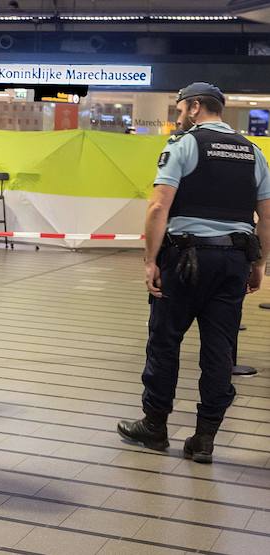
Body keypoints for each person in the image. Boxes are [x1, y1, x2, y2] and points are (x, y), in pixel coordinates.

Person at [117, 82, 270, 464]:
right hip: (233, 262)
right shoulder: (253, 153)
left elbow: (158, 208)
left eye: (181, 108)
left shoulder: (183, 145)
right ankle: (204, 438)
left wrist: (151, 260)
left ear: (197, 106)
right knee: (220, 351)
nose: (178, 116)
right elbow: (267, 216)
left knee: (165, 342)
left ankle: (154, 427)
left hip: (184, 261)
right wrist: (260, 263)